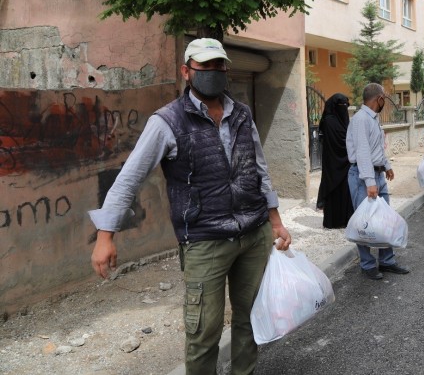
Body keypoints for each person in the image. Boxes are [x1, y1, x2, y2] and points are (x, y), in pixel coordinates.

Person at [88, 38, 292, 374]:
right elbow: (129, 178)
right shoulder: (167, 121)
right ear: (187, 71)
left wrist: (276, 221)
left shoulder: (241, 114)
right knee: (203, 333)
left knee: (251, 318)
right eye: (204, 66)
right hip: (205, 241)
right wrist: (105, 234)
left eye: (218, 66)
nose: (213, 72)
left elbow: (259, 170)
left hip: (253, 235)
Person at [346, 83, 410, 280]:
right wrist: (369, 181)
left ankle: (387, 261)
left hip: (377, 175)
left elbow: (377, 148)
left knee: (385, 221)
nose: (386, 102)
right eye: (385, 99)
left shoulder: (373, 119)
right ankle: (367, 264)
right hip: (363, 176)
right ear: (379, 99)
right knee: (364, 223)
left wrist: (387, 165)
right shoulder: (360, 120)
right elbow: (363, 152)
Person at [316, 93, 353, 228]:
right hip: (333, 163)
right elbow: (344, 141)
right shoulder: (329, 121)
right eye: (341, 105)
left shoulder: (342, 119)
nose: (344, 108)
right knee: (333, 190)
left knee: (345, 191)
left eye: (345, 105)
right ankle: (333, 222)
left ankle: (346, 220)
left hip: (345, 163)